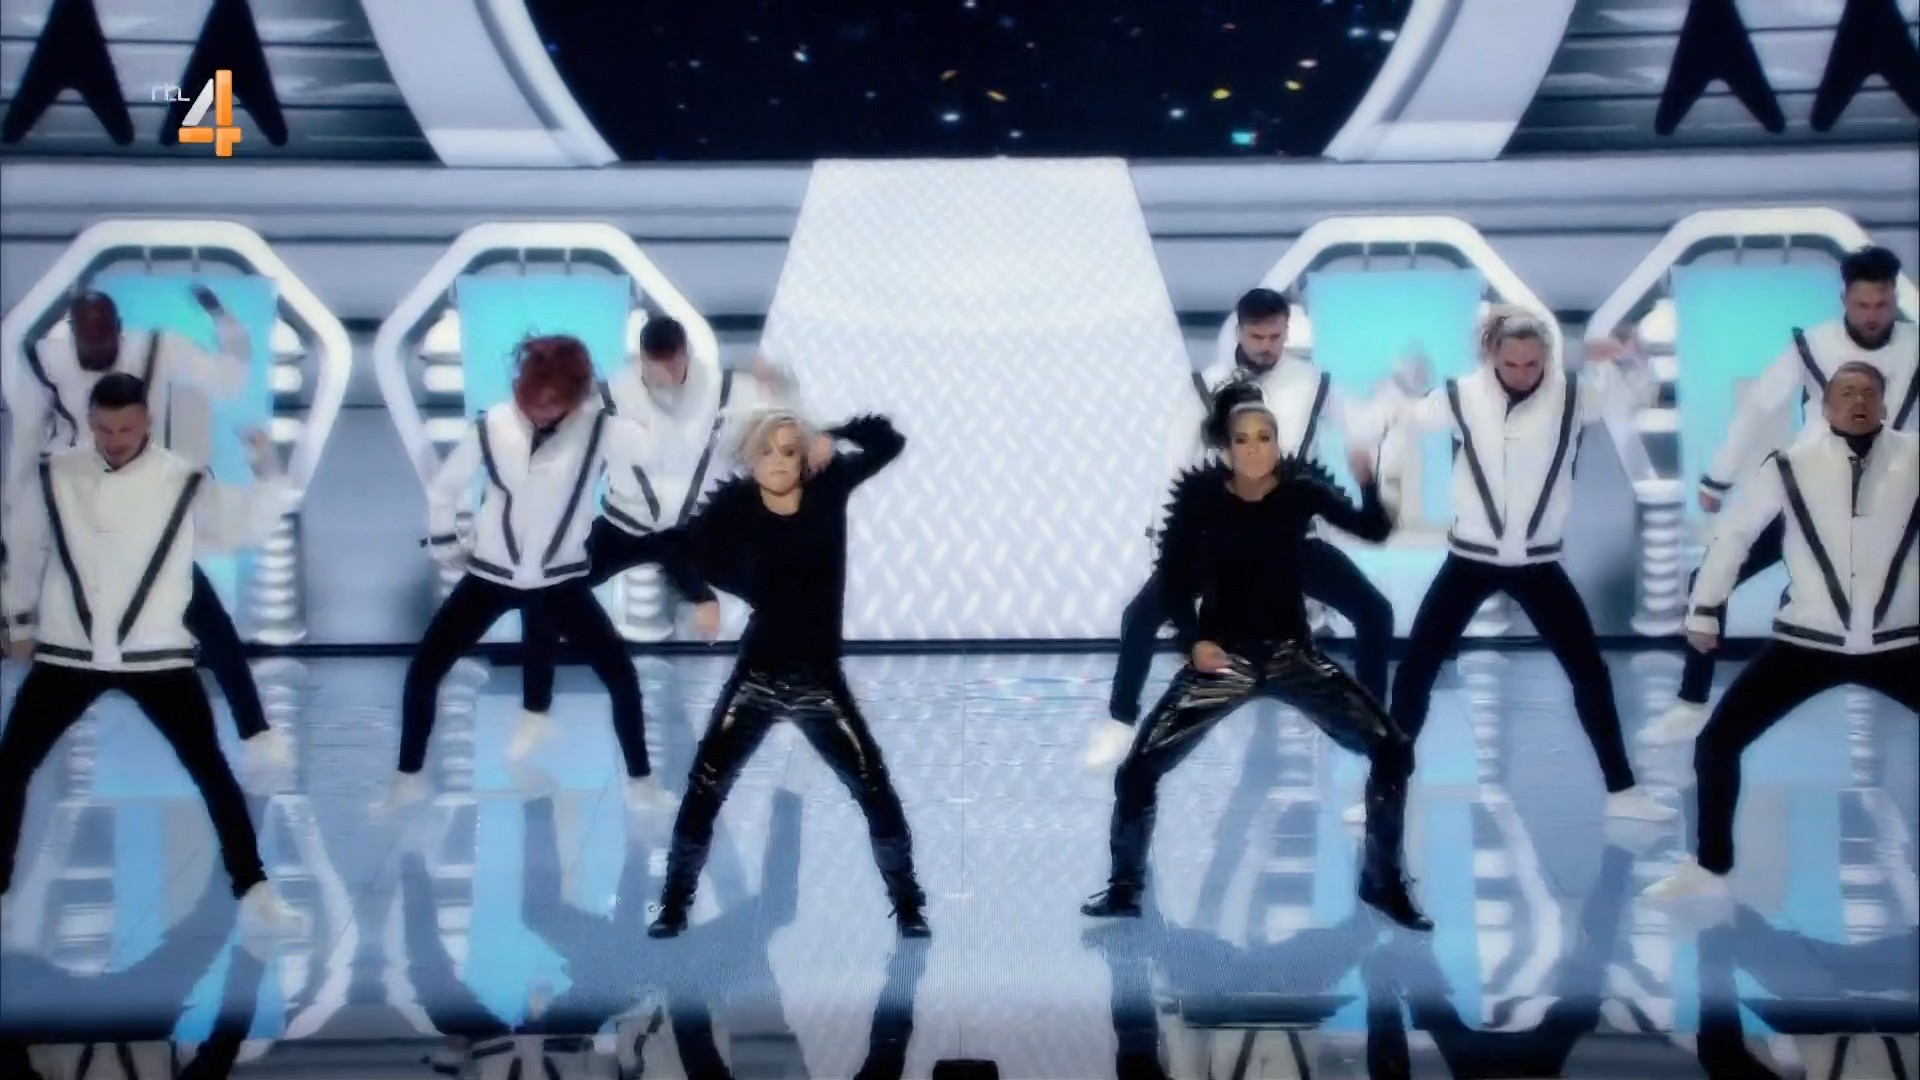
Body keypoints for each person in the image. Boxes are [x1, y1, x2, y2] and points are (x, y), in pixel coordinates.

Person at [1082, 382, 1430, 930]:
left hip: (1292, 654)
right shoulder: (1199, 495)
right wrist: (1193, 641)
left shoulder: (1300, 487)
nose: (1254, 449)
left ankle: (1382, 881)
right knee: (1138, 770)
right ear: (1226, 447)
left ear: (1276, 441)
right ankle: (1125, 888)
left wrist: (1368, 481)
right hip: (1225, 659)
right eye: (1242, 439)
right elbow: (1172, 581)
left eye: (1264, 437)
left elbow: (1373, 529)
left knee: (1392, 751)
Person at [0, 373, 303, 935]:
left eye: (127, 428)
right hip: (69, 652)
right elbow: (23, 547)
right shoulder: (56, 474)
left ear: (146, 422)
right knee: (10, 768)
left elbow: (243, 526)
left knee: (212, 772)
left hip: (157, 654)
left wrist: (266, 467)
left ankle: (255, 889)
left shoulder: (182, 479)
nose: (115, 439)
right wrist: (17, 620)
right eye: (105, 428)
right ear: (90, 422)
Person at [1367, 308, 1673, 824]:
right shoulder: (1462, 395)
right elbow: (1405, 417)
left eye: (1533, 364)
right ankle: (1384, 790)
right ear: (1493, 356)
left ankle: (1623, 791)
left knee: (1590, 675)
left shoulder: (1573, 397)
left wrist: (1629, 360)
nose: (1522, 373)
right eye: (1511, 364)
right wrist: (1400, 384)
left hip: (1538, 563)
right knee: (1416, 673)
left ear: (1547, 357)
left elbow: (1637, 395)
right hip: (1470, 559)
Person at [1091, 288, 1414, 768]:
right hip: (1218, 539)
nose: (1267, 345)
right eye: (1258, 336)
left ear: (1287, 330)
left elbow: (1360, 429)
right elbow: (1175, 466)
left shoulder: (1315, 384)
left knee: (1375, 612)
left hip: (1288, 538)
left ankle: (1372, 730)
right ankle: (1120, 722)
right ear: (1239, 330)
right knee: (1140, 617)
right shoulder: (1206, 387)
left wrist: (1381, 436)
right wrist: (1166, 543)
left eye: (1276, 336)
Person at [643, 402, 929, 940]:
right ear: (750, 458)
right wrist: (700, 595)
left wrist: (831, 433)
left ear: (802, 457)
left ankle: (909, 905)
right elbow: (673, 550)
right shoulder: (734, 507)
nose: (777, 461)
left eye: (789, 451)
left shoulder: (828, 486)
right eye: (766, 452)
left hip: (819, 679)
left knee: (873, 787)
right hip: (758, 675)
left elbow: (888, 443)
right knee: (705, 786)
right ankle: (674, 906)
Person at [374, 335, 681, 817]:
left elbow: (655, 448)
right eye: (532, 401)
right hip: (491, 574)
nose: (539, 413)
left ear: (574, 396)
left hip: (561, 579)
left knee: (621, 677)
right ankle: (407, 777)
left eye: (552, 404)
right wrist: (447, 545)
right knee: (426, 670)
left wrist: (651, 389)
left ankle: (641, 784)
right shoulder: (493, 424)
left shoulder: (599, 428)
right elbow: (443, 490)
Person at [1645, 362, 1917, 902]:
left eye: (1869, 392)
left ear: (1885, 404)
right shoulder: (1790, 465)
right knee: (1716, 744)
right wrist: (1704, 610)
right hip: (1806, 643)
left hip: (1900, 643)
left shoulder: (1915, 460)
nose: (1858, 401)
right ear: (1826, 405)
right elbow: (1734, 537)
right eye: (1847, 392)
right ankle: (1709, 866)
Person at [2, 287, 291, 772]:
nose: (97, 349)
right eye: (86, 339)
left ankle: (257, 734)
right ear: (72, 334)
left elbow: (229, 377)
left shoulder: (158, 348)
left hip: (147, 508)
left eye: (104, 337)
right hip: (78, 511)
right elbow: (26, 449)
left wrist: (223, 319)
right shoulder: (42, 365)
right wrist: (18, 613)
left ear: (120, 330)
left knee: (210, 623)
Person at [1646, 245, 1916, 743]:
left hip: (1889, 494)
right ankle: (1692, 701)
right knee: (1710, 577)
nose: (1872, 316)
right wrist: (1717, 478)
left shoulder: (1915, 346)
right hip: (1811, 494)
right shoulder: (1812, 345)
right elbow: (1758, 407)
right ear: (1844, 299)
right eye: (1862, 305)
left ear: (1894, 298)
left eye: (1881, 305)